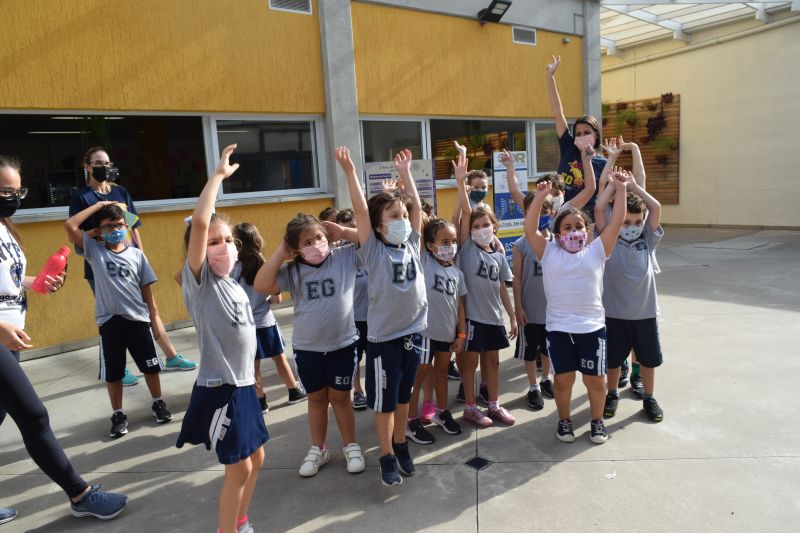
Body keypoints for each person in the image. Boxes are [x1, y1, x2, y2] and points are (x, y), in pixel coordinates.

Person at [0, 155, 127, 524]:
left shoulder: (5, 227)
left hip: (11, 336)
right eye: (5, 191)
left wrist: (35, 283)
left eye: (17, 190)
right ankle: (80, 494)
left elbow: (7, 280)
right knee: (34, 416)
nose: (14, 198)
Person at [175, 144, 267, 533]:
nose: (223, 246)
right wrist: (216, 178)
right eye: (214, 242)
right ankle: (227, 529)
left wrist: (254, 378)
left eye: (228, 239)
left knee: (257, 459)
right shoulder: (202, 284)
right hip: (220, 388)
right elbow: (199, 222)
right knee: (239, 466)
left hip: (243, 385)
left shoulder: (233, 284)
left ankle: (240, 521)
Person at [336, 146, 427, 487]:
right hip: (384, 341)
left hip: (413, 335)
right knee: (385, 404)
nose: (403, 220)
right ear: (377, 226)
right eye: (394, 216)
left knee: (404, 398)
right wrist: (350, 172)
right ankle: (386, 454)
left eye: (403, 215)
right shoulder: (373, 250)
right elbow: (361, 210)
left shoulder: (412, 244)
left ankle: (401, 444)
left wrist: (406, 174)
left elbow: (417, 208)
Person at [68, 147, 196, 388]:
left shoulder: (121, 191)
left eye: (106, 163)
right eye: (98, 163)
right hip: (101, 265)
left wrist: (140, 254)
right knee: (113, 318)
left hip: (130, 262)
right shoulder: (81, 196)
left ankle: (170, 355)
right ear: (87, 166)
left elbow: (133, 226)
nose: (103, 167)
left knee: (149, 309)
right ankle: (120, 367)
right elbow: (76, 230)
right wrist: (101, 216)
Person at [256, 214, 366, 478]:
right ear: (296, 248)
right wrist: (280, 253)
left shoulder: (344, 257)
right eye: (307, 242)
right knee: (316, 400)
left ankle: (351, 445)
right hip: (308, 349)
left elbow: (370, 240)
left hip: (343, 345)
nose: (315, 244)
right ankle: (319, 448)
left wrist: (343, 232)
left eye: (318, 237)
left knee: (341, 399)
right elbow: (261, 285)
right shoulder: (292, 271)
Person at [524, 170, 628, 445]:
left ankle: (597, 422)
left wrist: (621, 189)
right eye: (567, 227)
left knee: (595, 382)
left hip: (592, 329)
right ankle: (564, 421)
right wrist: (540, 197)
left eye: (579, 227)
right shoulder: (548, 252)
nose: (574, 232)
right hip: (559, 330)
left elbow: (617, 222)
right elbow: (530, 230)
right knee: (563, 381)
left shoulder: (597, 250)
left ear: (587, 230)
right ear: (558, 234)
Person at [65, 201, 173, 437]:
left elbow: (147, 293)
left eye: (119, 225)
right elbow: (70, 225)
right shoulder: (94, 251)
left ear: (126, 226)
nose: (114, 230)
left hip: (138, 321)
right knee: (114, 373)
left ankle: (158, 402)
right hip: (110, 323)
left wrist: (155, 320)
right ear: (99, 230)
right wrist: (100, 205)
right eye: (108, 226)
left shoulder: (137, 255)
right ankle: (118, 414)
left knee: (150, 367)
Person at [595, 169, 665, 423]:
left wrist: (634, 186)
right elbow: (599, 208)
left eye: (637, 222)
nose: (632, 227)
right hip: (614, 314)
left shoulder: (647, 239)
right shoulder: (608, 239)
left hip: (645, 313)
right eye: (626, 222)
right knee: (613, 361)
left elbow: (655, 208)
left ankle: (649, 397)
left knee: (648, 359)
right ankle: (612, 393)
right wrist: (615, 187)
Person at [454, 152, 517, 428]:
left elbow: (503, 287)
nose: (481, 229)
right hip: (472, 318)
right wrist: (460, 182)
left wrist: (511, 316)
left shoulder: (499, 254)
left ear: (495, 226)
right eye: (476, 226)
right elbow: (467, 212)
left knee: (493, 362)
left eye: (486, 225)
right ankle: (470, 407)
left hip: (494, 317)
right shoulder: (467, 248)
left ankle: (493, 404)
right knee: (470, 364)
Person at [232, 223, 306, 412]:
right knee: (280, 359)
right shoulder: (264, 264)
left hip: (244, 324)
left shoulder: (233, 268)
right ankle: (294, 391)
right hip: (265, 322)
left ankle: (260, 401)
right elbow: (276, 299)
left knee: (253, 365)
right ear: (257, 240)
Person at [406, 218, 466, 444]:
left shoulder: (457, 273)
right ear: (430, 245)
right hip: (425, 334)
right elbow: (417, 228)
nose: (450, 246)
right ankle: (410, 420)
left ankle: (442, 411)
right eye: (444, 241)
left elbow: (460, 306)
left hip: (447, 334)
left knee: (441, 372)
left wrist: (461, 334)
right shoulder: (423, 261)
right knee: (418, 377)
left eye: (453, 241)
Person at [545, 56, 607, 215]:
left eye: (587, 132)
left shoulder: (603, 163)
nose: (582, 136)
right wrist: (550, 77)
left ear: (596, 135)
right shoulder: (569, 147)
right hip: (562, 215)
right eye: (578, 133)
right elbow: (558, 113)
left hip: (587, 221)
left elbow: (605, 196)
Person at [512, 192, 554, 410]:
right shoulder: (520, 245)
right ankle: (533, 386)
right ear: (525, 214)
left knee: (548, 349)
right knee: (530, 352)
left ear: (551, 213)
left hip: (553, 311)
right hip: (530, 310)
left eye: (544, 211)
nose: (540, 215)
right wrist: (518, 307)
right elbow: (517, 279)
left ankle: (546, 378)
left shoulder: (558, 242)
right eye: (534, 211)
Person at [335, 208, 369, 411]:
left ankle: (375, 388)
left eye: (353, 229)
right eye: (343, 230)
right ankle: (358, 391)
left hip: (375, 316)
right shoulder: (338, 256)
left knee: (376, 356)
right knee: (355, 358)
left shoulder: (371, 251)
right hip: (352, 318)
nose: (348, 235)